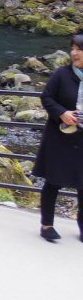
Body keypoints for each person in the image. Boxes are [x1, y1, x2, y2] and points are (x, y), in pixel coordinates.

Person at [32, 32, 83, 242]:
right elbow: (47, 97)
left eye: (79, 49)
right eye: (73, 48)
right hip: (60, 136)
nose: (74, 53)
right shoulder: (62, 74)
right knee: (53, 182)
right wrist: (62, 113)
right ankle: (47, 225)